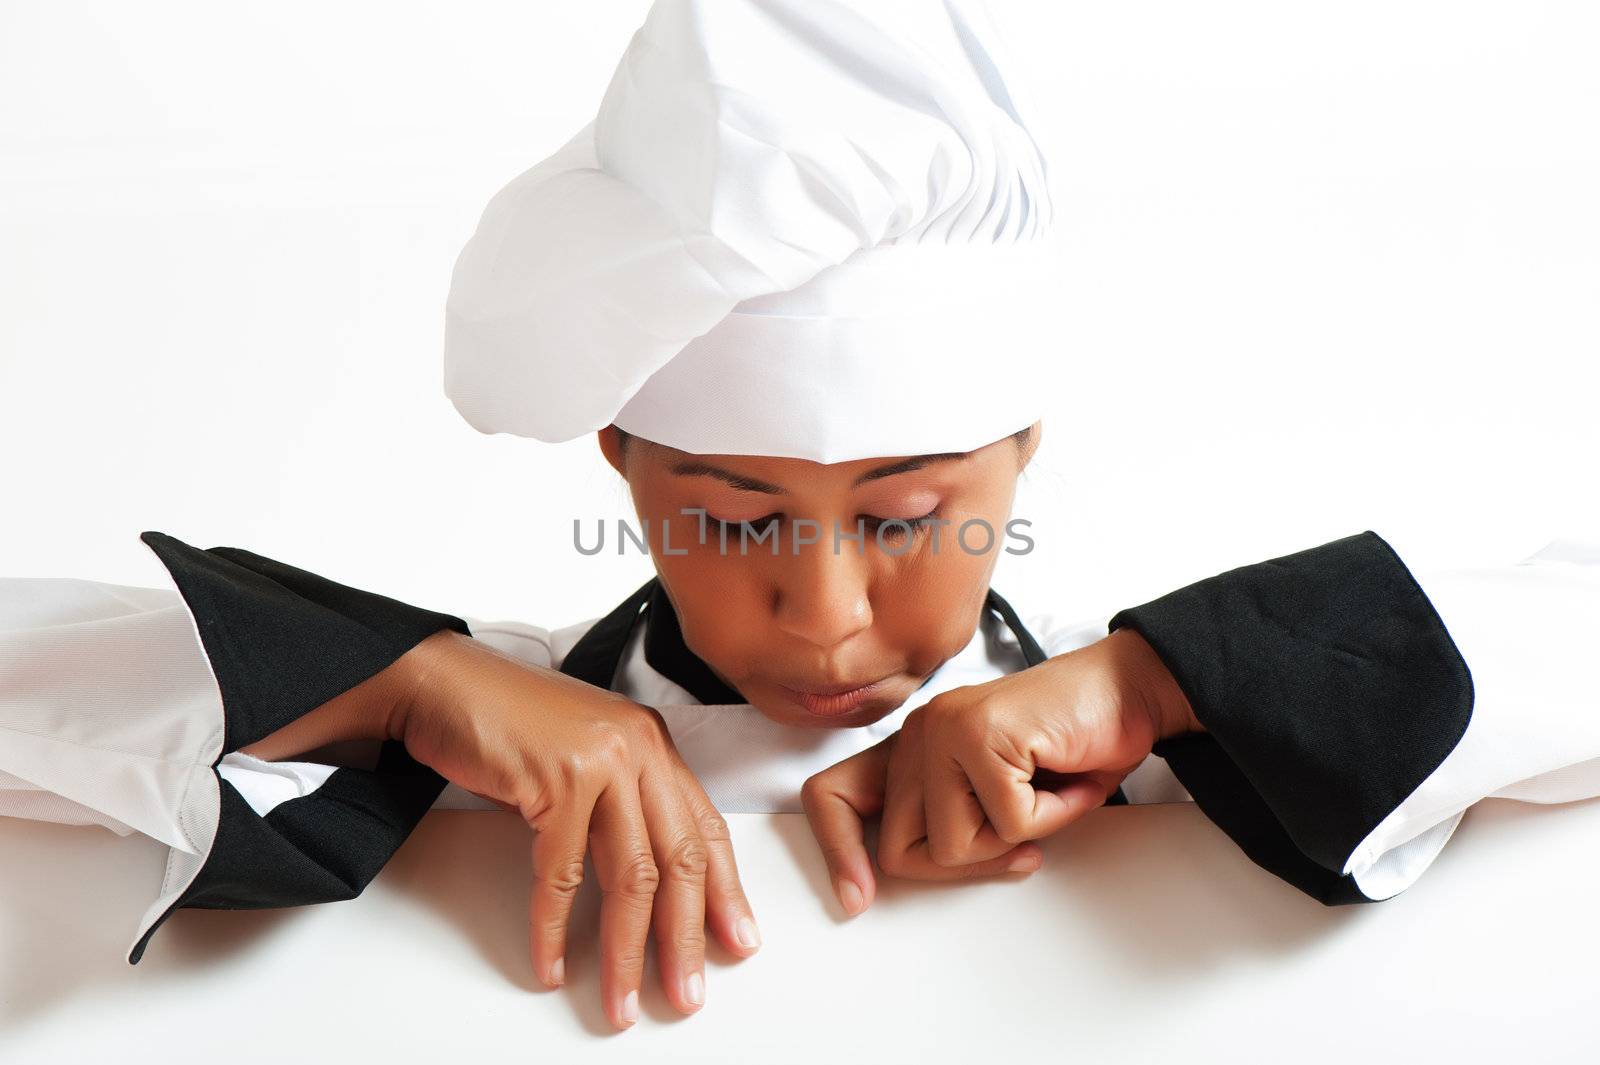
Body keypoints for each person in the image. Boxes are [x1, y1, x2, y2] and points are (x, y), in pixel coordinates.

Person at [3, 0, 1598, 1036]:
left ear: (1023, 448)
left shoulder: (1206, 734)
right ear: (621, 458)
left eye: (907, 514)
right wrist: (417, 678)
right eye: (740, 519)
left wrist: (1162, 676)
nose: (829, 614)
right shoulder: (468, 739)